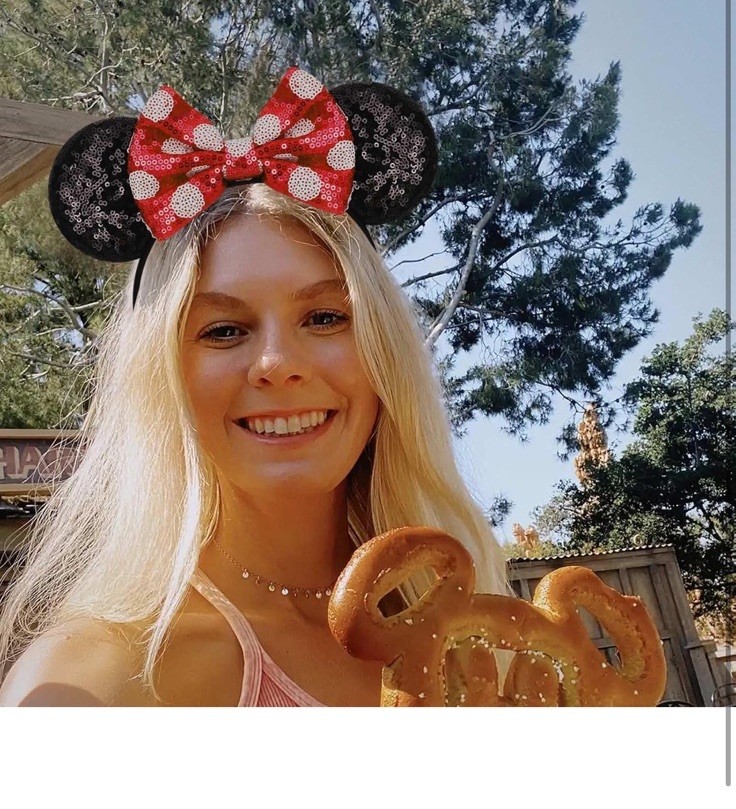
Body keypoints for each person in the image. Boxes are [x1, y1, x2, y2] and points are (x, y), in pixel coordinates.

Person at [0, 69, 512, 707]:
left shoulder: (481, 642)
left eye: (324, 318)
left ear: (385, 352)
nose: (276, 363)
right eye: (223, 330)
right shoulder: (96, 683)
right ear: (160, 378)